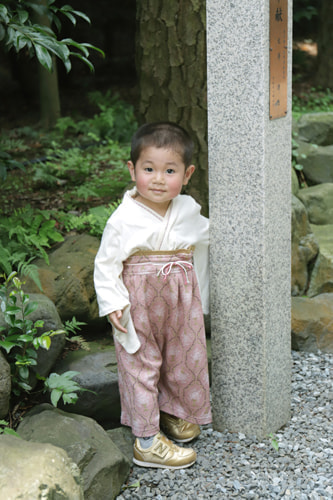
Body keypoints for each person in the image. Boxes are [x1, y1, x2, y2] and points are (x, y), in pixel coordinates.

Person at [94, 122, 212, 469]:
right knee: (140, 363)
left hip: (180, 299)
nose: (158, 179)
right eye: (149, 169)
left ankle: (174, 411)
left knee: (183, 356)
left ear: (187, 174)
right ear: (132, 170)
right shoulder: (123, 219)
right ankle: (146, 440)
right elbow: (106, 263)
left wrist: (202, 293)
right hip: (139, 299)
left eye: (170, 170)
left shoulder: (188, 211)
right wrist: (113, 300)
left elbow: (205, 244)